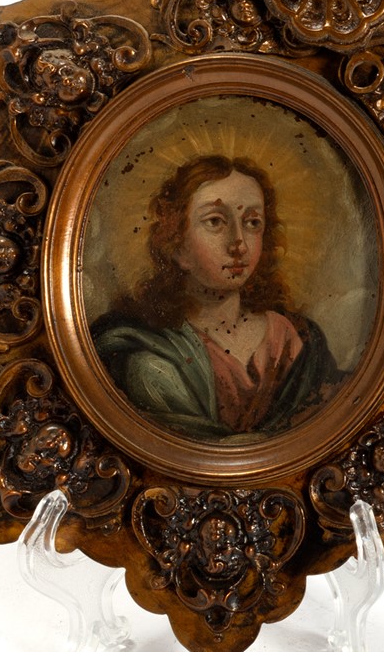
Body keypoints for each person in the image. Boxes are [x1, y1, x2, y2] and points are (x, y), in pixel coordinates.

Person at [94, 155, 341, 441]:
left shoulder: (299, 341)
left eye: (252, 222)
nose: (239, 243)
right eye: (215, 221)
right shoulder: (140, 348)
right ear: (177, 243)